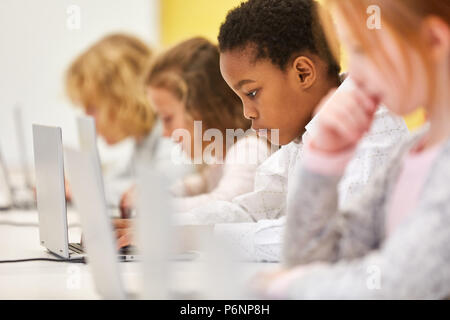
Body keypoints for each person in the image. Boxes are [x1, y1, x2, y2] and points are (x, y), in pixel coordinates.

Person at [113, 0, 409, 257]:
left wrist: (189, 237)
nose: (247, 112)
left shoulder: (369, 125)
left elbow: (326, 241)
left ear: (302, 73)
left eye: (252, 93)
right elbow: (254, 211)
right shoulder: (304, 136)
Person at [258, 0, 450, 299]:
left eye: (362, 50)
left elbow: (393, 286)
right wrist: (322, 163)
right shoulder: (409, 153)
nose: (353, 74)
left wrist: (283, 287)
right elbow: (315, 260)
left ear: (433, 41)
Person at [114, 38, 273, 246]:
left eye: (168, 118)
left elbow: (227, 205)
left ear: (201, 109)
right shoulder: (223, 155)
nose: (164, 133)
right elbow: (198, 184)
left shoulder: (249, 148)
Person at [65, 33, 192, 211]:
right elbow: (118, 181)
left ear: (121, 100)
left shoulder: (172, 132)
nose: (86, 117)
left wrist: (82, 190)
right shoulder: (142, 139)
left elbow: (157, 191)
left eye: (92, 107)